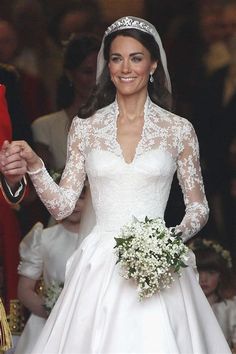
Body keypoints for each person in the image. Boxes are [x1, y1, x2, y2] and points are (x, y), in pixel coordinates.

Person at [0, 16, 231, 353]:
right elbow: (64, 205)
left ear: (152, 64)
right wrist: (35, 166)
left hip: (160, 264)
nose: (126, 67)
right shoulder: (85, 127)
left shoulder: (178, 129)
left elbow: (198, 206)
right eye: (116, 58)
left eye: (136, 58)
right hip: (98, 265)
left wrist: (167, 241)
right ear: (107, 65)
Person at [14, 185, 86, 354]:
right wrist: (52, 311)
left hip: (84, 323)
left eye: (80, 198)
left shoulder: (97, 241)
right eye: (68, 198)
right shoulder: (43, 238)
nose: (74, 204)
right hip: (47, 323)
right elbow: (24, 290)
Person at [189, 238, 236, 349]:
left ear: (221, 275)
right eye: (198, 272)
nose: (204, 279)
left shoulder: (230, 308)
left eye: (211, 273)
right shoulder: (188, 308)